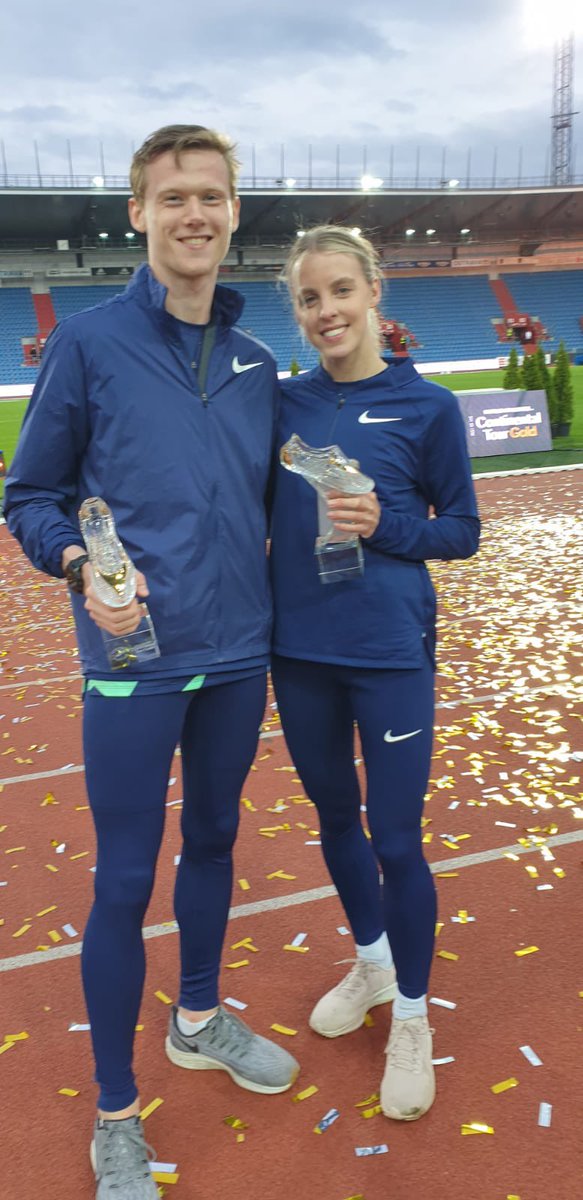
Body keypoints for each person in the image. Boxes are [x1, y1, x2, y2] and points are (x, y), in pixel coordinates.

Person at [4, 124, 299, 1200]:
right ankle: (117, 1113)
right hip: (132, 656)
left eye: (212, 196)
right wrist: (79, 562)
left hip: (237, 655)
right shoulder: (85, 343)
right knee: (125, 877)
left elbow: (279, 501)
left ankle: (199, 1016)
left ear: (233, 211)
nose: (195, 214)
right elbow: (27, 495)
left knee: (216, 838)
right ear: (136, 212)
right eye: (172, 196)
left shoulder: (259, 358)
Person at [269, 226, 480, 1122]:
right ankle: (372, 961)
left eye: (340, 292)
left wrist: (385, 526)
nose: (327, 312)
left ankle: (412, 1016)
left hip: (390, 652)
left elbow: (461, 532)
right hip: (299, 652)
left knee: (396, 838)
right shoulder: (278, 406)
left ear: (373, 295)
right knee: (334, 819)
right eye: (310, 299)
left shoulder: (426, 407)